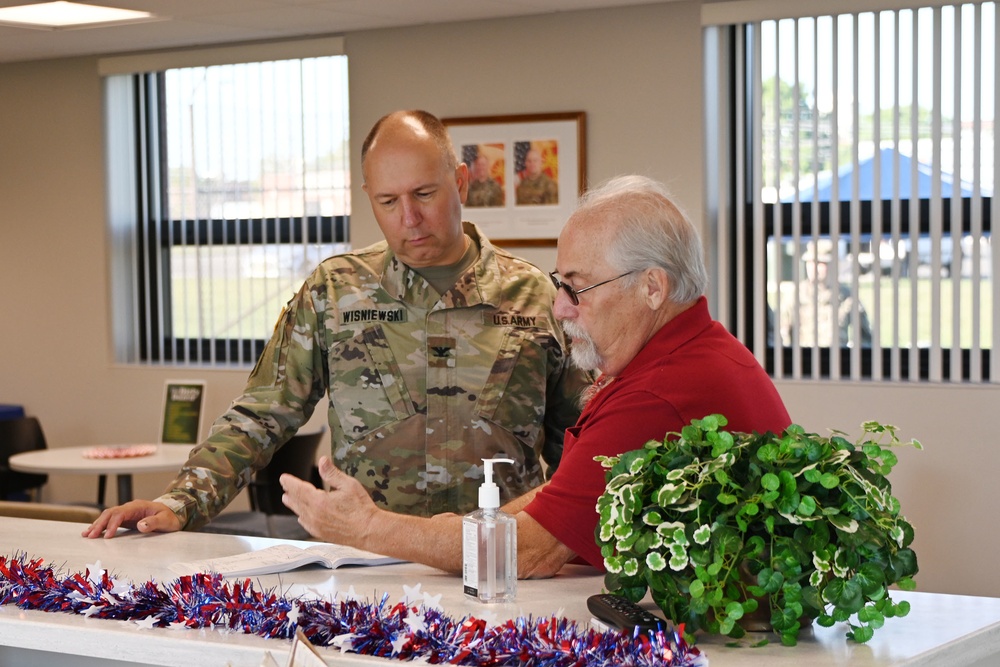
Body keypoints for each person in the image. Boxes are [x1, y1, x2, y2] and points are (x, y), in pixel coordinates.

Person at [83, 110, 592, 539]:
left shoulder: (537, 297)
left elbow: (580, 440)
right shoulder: (336, 292)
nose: (408, 218)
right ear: (368, 195)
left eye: (423, 194)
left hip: (501, 561)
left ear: (460, 182)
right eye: (388, 202)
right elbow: (261, 413)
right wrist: (182, 501)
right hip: (365, 564)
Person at [277, 175, 791, 577]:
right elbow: (559, 497)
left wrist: (369, 529)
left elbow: (530, 552)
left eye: (578, 288)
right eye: (559, 285)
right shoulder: (689, 355)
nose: (562, 309)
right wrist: (450, 530)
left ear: (652, 288)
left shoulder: (658, 394)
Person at [778, 239, 873, 348]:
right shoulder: (795, 295)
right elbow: (782, 335)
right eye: (810, 262)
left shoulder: (847, 297)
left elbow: (866, 337)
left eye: (819, 263)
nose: (813, 268)